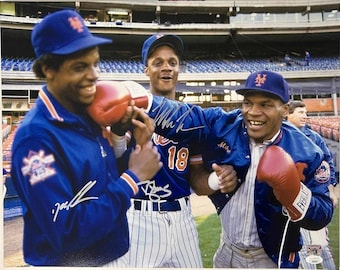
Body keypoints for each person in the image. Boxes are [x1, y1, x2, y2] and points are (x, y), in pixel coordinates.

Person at [89, 70, 334, 268]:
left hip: (272, 258)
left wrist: (294, 195)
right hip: (227, 252)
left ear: (285, 109)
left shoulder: (308, 151)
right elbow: (185, 116)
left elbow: (322, 213)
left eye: (265, 104)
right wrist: (138, 98)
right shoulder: (225, 124)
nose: (253, 112)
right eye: (248, 103)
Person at [10, 9, 162, 266]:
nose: (93, 75)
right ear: (48, 69)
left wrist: (118, 137)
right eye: (80, 66)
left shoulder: (85, 113)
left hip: (108, 256)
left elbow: (100, 183)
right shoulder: (35, 139)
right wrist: (133, 179)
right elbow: (65, 231)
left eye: (95, 63)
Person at [107, 33, 236, 268]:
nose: (166, 68)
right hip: (139, 216)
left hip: (182, 218)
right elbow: (113, 167)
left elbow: (196, 180)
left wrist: (217, 180)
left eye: (172, 62)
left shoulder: (191, 120)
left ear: (179, 69)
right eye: (158, 62)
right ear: (146, 70)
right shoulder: (133, 111)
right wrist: (117, 134)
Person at [287, 100, 337, 270]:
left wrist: (331, 189)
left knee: (318, 244)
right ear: (288, 114)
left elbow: (327, 162)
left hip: (312, 197)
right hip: (287, 199)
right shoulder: (279, 136)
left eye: (305, 112)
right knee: (297, 246)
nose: (305, 116)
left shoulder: (314, 137)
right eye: (300, 112)